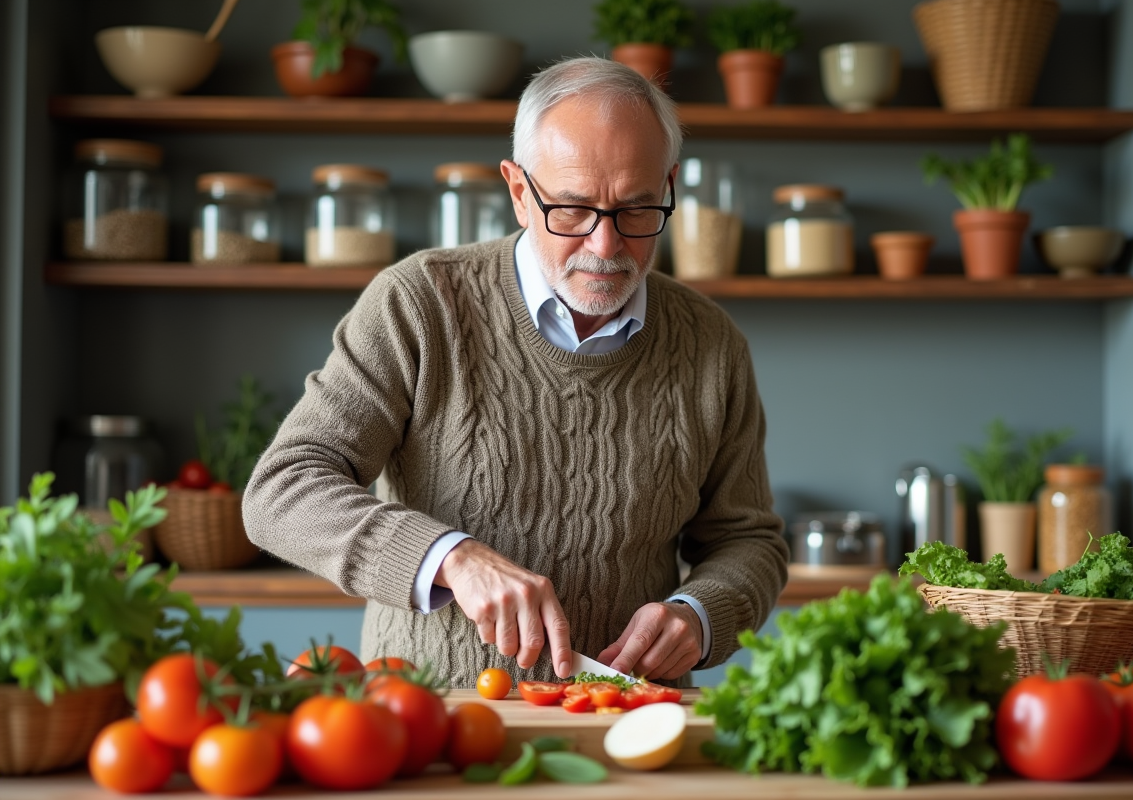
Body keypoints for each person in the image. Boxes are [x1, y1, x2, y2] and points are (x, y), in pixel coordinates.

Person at [243, 56, 788, 688]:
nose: (605, 246)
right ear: (519, 191)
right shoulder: (419, 303)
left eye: (637, 210)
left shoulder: (711, 343)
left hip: (624, 725)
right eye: (573, 209)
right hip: (427, 719)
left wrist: (699, 614)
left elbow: (749, 540)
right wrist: (449, 557)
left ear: (668, 186)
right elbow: (282, 489)